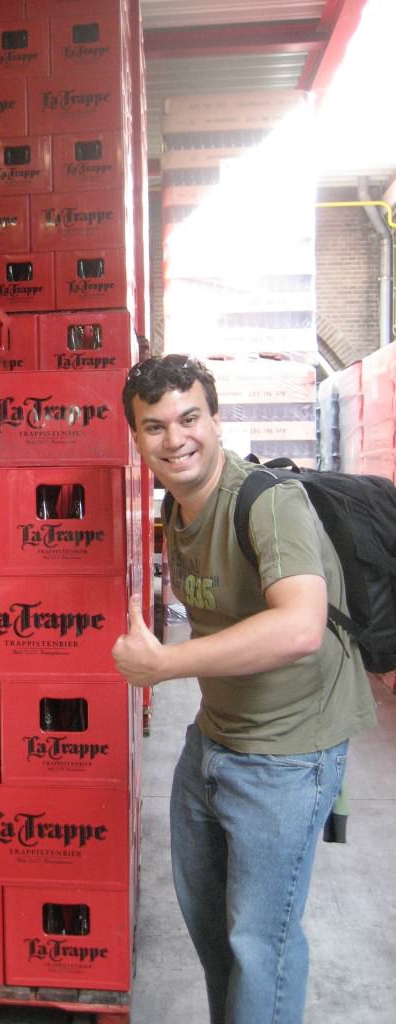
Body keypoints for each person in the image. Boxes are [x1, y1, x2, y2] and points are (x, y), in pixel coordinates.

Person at [111, 354, 377, 1024]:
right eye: (154, 427)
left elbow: (300, 627)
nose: (175, 439)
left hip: (289, 755)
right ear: (136, 439)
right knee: (211, 931)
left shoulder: (268, 502)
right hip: (216, 737)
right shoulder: (177, 508)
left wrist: (163, 666)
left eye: (189, 417)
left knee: (263, 946)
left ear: (216, 419)